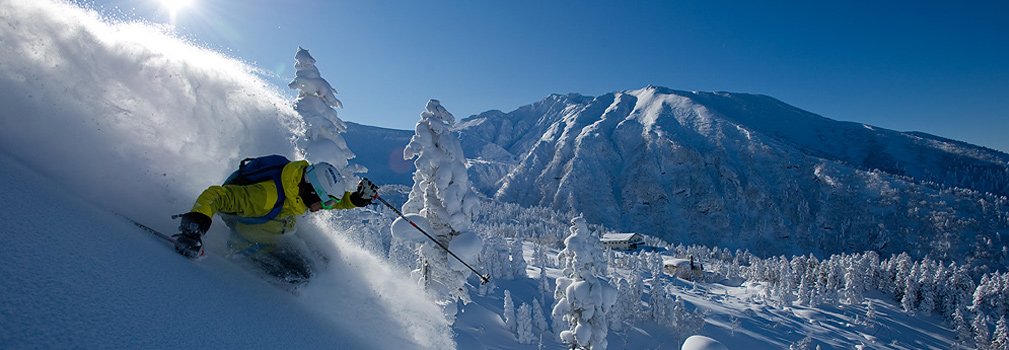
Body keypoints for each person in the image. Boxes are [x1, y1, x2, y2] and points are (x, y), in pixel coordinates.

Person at [173, 159, 378, 285]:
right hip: (251, 245)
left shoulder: (298, 187)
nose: (324, 208)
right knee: (303, 277)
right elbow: (217, 195)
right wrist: (196, 224)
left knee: (325, 263)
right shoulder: (267, 197)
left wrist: (354, 200)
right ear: (312, 192)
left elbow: (329, 200)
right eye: (324, 202)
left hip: (278, 231)